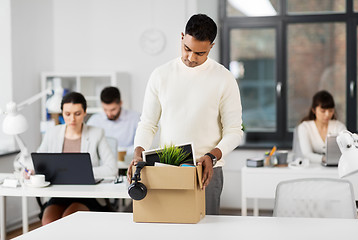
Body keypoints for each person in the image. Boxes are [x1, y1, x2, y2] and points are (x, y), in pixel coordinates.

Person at [127, 14, 243, 215]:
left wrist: (211, 157)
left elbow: (234, 131)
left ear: (211, 47)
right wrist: (138, 153)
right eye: (187, 49)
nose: (191, 58)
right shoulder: (160, 75)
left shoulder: (224, 78)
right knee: (170, 230)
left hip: (207, 171)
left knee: (207, 231)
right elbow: (148, 124)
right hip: (167, 169)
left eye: (200, 53)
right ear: (182, 37)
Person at [37, 92, 117, 225]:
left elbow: (112, 169)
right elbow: (39, 161)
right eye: (67, 114)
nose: (72, 119)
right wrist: (32, 170)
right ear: (62, 113)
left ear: (85, 112)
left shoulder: (97, 133)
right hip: (59, 193)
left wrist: (82, 172)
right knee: (48, 221)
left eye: (77, 113)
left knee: (69, 219)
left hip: (87, 195)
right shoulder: (52, 133)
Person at [87, 86, 140, 155]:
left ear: (120, 103)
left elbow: (141, 145)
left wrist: (121, 152)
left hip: (128, 161)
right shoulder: (94, 120)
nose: (109, 113)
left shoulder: (135, 118)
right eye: (105, 109)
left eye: (113, 109)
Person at [297, 90, 346, 163]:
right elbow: (307, 154)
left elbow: (347, 150)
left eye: (330, 111)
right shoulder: (304, 127)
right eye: (323, 111)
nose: (327, 114)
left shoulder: (339, 127)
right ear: (314, 110)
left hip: (336, 167)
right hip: (313, 168)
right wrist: (324, 159)